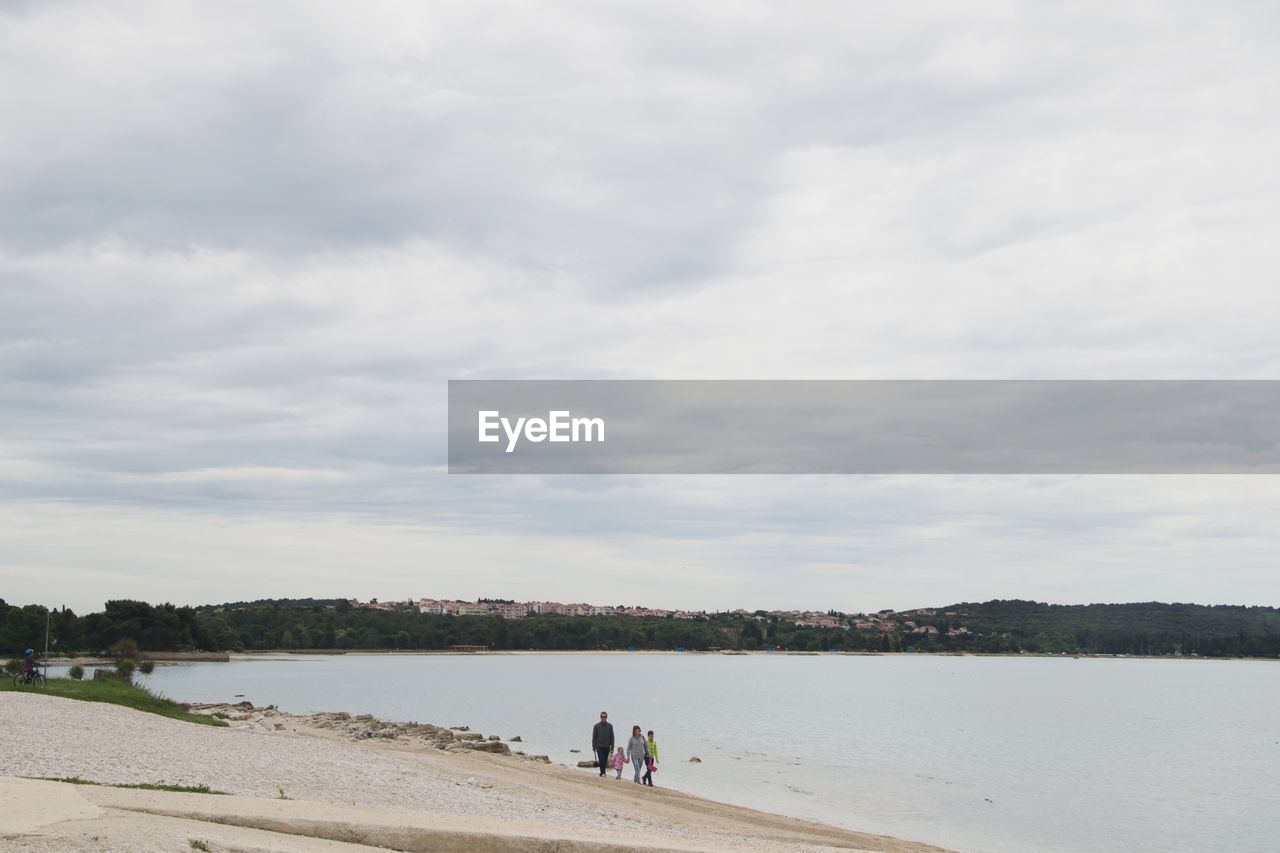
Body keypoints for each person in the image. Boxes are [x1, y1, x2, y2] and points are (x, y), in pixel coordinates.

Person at [591, 711, 614, 777]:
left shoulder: (610, 726)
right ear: (600, 717)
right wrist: (594, 747)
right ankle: (603, 773)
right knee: (601, 759)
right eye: (602, 717)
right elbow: (594, 737)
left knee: (605, 761)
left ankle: (602, 773)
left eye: (604, 717)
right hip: (599, 746)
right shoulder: (596, 726)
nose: (603, 718)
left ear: (606, 717)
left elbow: (612, 737)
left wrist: (612, 747)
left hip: (607, 747)